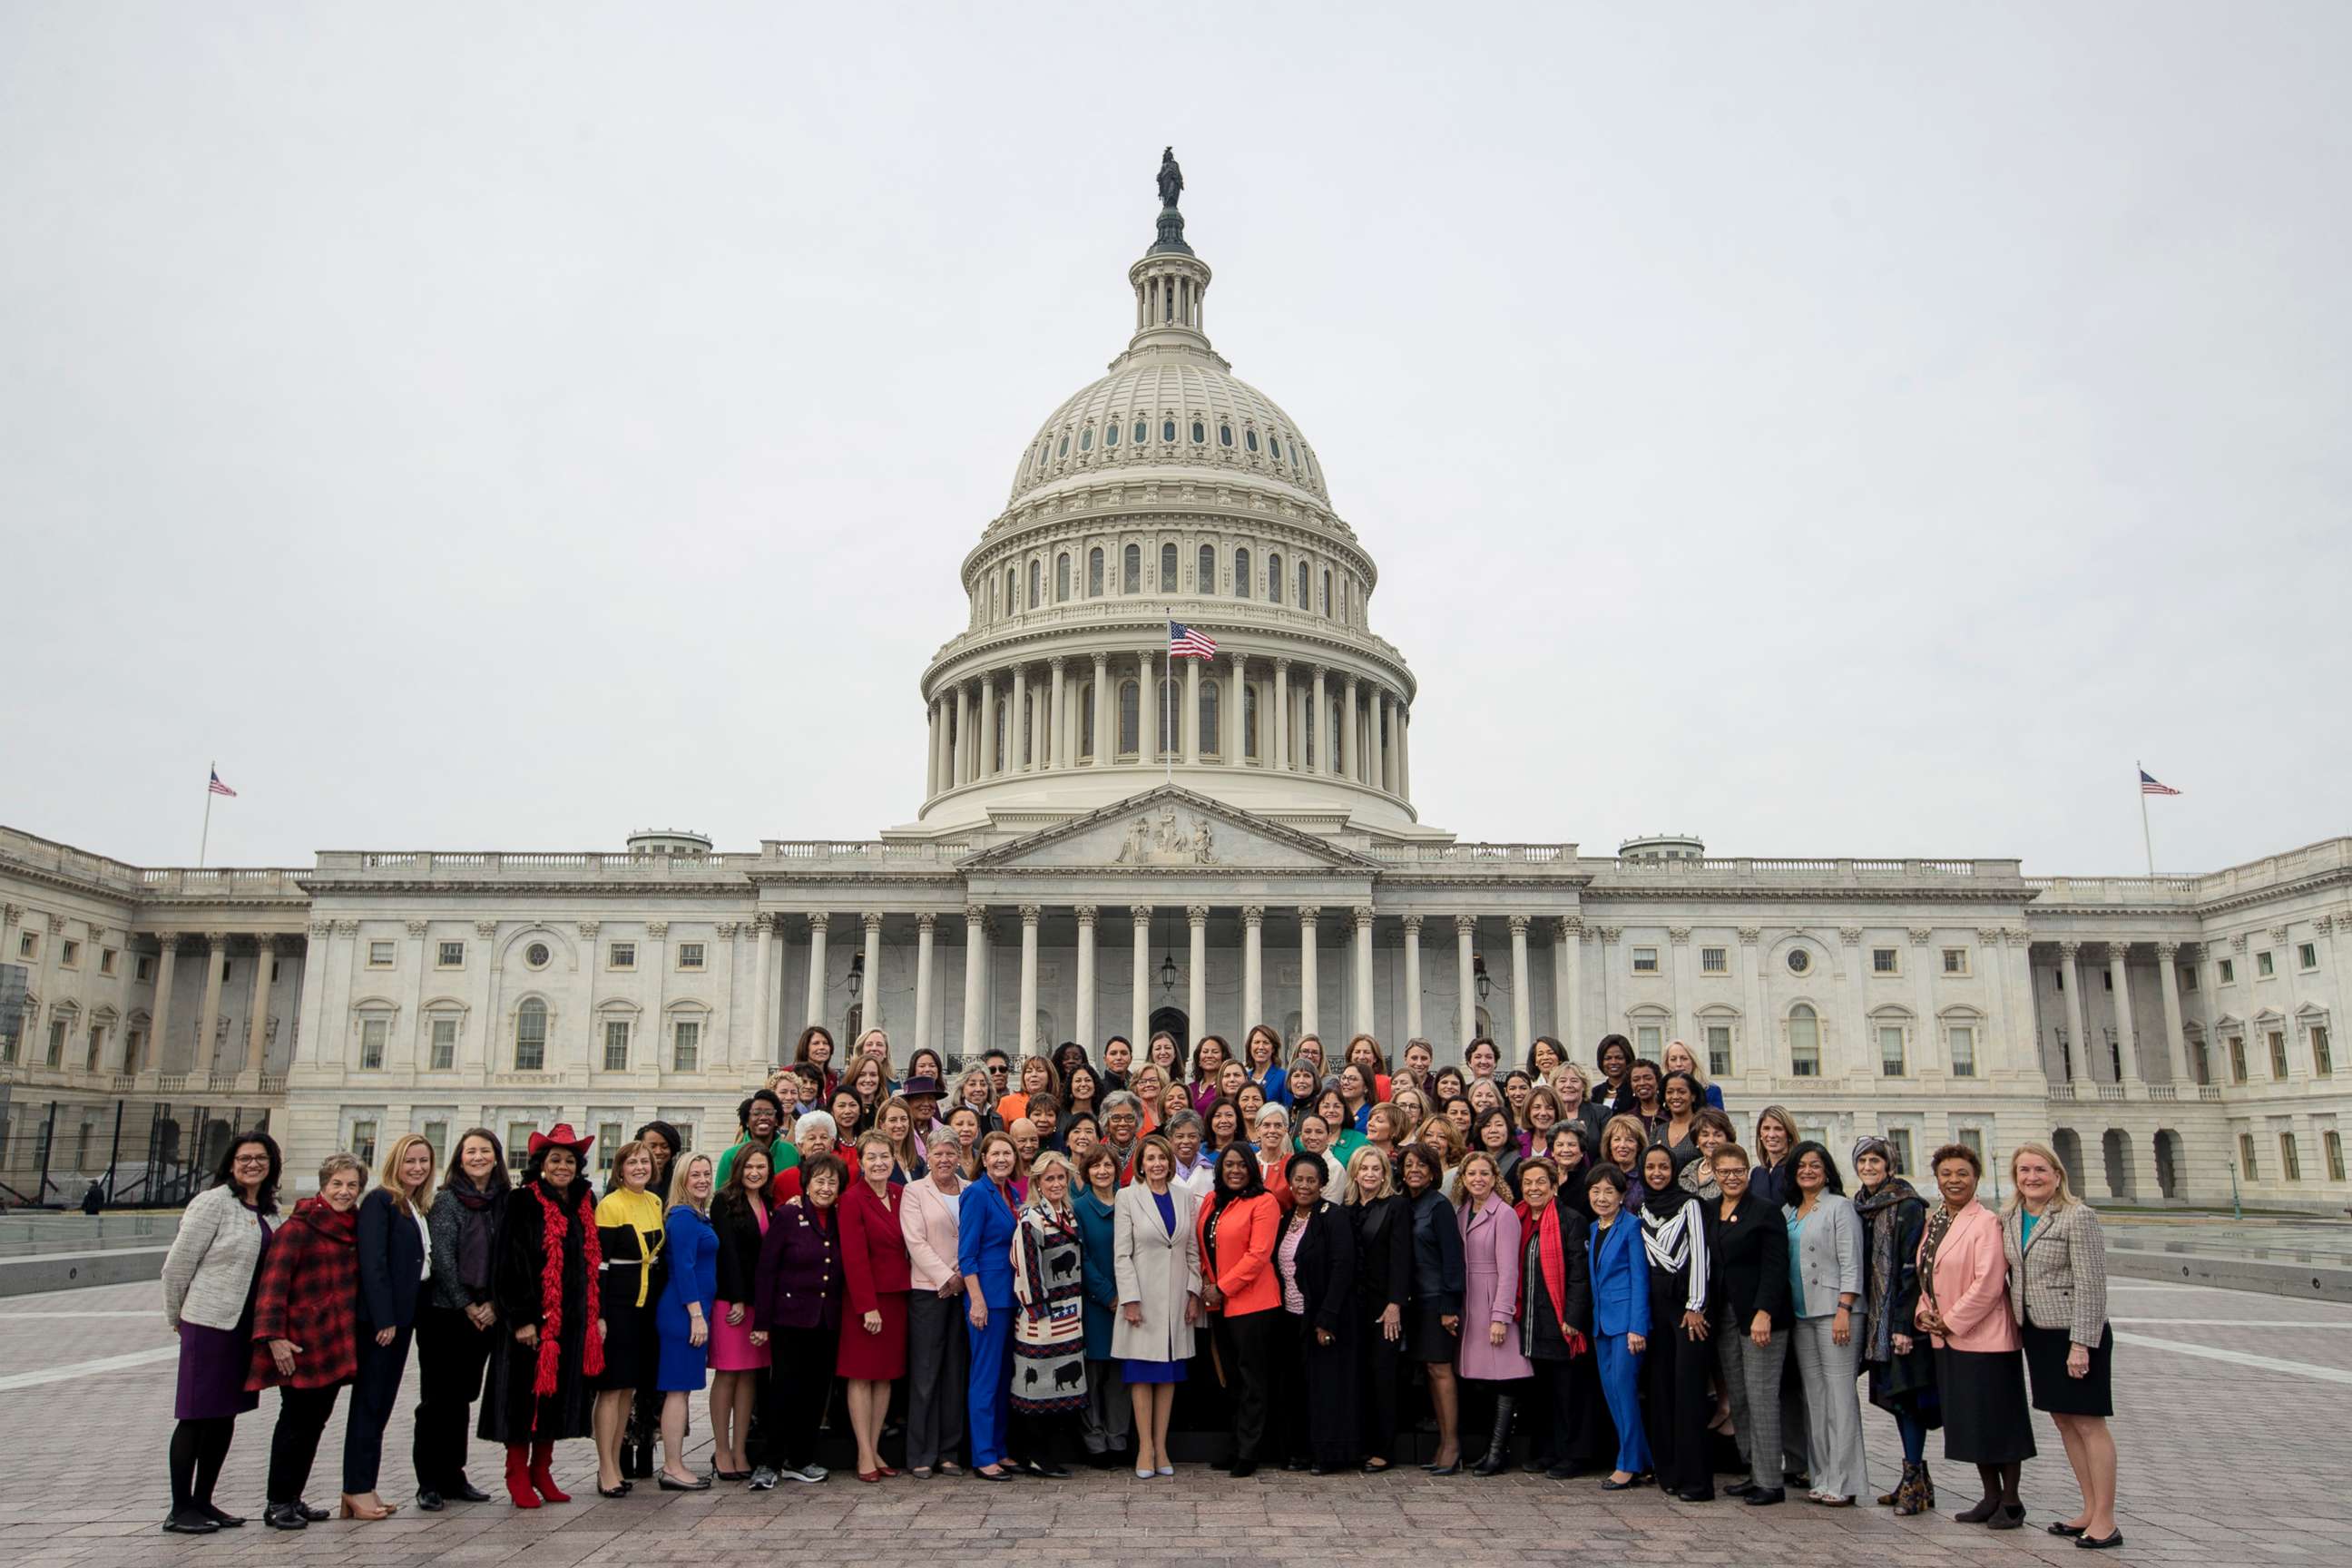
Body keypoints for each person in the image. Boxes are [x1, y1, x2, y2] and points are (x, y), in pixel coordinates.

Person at [162, 1131, 280, 1534]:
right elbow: (177, 1265)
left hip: (243, 1327)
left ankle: (204, 1500)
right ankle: (180, 1509)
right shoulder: (213, 1203)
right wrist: (178, 1317)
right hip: (208, 1323)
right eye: (244, 1158)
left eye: (260, 1158)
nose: (252, 1165)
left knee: (224, 1415)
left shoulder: (268, 1211)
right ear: (231, 1163)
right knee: (196, 1415)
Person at [480, 1124, 603, 1510]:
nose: (563, 1166)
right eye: (555, 1160)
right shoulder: (522, 1202)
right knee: (522, 1399)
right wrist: (522, 1318)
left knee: (554, 1399)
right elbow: (508, 1264)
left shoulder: (585, 1202)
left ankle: (542, 1469)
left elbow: (589, 1262)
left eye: (569, 1160)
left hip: (569, 1318)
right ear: (541, 1164)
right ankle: (517, 1472)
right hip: (532, 1321)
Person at [2004, 1142, 2118, 1549]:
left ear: (2057, 1175)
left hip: (2074, 1334)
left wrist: (2081, 1344)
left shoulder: (2077, 1217)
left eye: (2039, 1170)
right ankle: (2088, 1508)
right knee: (2064, 1421)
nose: (2031, 1177)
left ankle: (2105, 1518)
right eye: (2023, 1171)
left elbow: (2092, 1285)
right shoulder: (2011, 1217)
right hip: (2037, 1332)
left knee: (2089, 1422)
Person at [1916, 1142, 2034, 1531]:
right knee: (1972, 1421)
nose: (1954, 1180)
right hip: (1949, 1337)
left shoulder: (1985, 1222)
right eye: (1947, 1174)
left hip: (1986, 1338)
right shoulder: (1935, 1222)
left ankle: (2012, 1500)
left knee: (2000, 1420)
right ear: (1936, 1179)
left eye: (1962, 1174)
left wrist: (1950, 1320)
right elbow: (1925, 1274)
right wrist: (1926, 1314)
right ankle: (1989, 1496)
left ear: (1976, 1178)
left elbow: (1988, 1283)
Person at [248, 1151, 368, 1531]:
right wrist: (274, 1337)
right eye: (337, 1184)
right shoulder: (298, 1228)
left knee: (316, 1423)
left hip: (333, 1339)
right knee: (295, 1423)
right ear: (323, 1186)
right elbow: (272, 1286)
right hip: (299, 1342)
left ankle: (294, 1497)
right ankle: (277, 1501)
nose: (344, 1192)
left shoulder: (353, 1225)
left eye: (352, 1185)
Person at [415, 1129, 506, 1511]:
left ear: (496, 1157)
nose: (478, 1157)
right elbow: (443, 1259)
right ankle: (429, 1481)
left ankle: (454, 1474)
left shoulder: (503, 1201)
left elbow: (509, 1256)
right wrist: (467, 1303)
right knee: (437, 1400)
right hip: (446, 1313)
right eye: (471, 1151)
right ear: (459, 1157)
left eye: (485, 1151)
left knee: (464, 1397)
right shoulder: (447, 1200)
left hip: (488, 1313)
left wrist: (494, 1305)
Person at [347, 1134, 434, 1520]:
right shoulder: (380, 1201)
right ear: (395, 1162)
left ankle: (365, 1485)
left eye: (424, 1161)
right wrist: (384, 1318)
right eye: (410, 1161)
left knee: (380, 1405)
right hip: (384, 1323)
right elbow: (373, 1263)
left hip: (403, 1319)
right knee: (369, 1404)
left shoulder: (412, 1204)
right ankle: (356, 1487)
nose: (417, 1167)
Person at [1852, 1136, 1939, 1514]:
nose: (1869, 1167)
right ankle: (1917, 1480)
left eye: (1875, 1161)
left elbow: (1912, 1269)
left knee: (1906, 1400)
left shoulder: (1907, 1206)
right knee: (1893, 1398)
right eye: (1863, 1161)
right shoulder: (1863, 1205)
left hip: (1899, 1322)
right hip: (1876, 1320)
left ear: (1889, 1165)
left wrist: (1904, 1325)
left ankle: (1913, 1479)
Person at [750, 1152, 845, 1486]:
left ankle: (801, 1459)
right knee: (785, 1390)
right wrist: (761, 1321)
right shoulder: (789, 1215)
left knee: (816, 1393)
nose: (825, 1187)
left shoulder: (839, 1216)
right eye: (819, 1180)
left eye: (832, 1182)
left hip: (827, 1320)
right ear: (807, 1184)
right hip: (790, 1318)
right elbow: (767, 1270)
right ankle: (770, 1461)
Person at [1706, 1142, 1791, 1506]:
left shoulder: (1766, 1212)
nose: (1731, 1177)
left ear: (1747, 1171)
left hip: (1759, 1317)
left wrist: (1764, 1311)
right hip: (1724, 1315)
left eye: (1738, 1171)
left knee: (1761, 1397)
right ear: (1714, 1172)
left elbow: (1775, 1267)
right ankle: (1753, 1470)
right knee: (1739, 1397)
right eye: (1724, 1171)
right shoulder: (1709, 1210)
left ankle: (1772, 1481)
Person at [1113, 1132, 1200, 1478]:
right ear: (1141, 1163)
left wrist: (1193, 1293)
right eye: (1150, 1158)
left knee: (1168, 1376)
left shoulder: (1184, 1197)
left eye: (1162, 1158)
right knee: (1141, 1375)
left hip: (1176, 1301)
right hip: (1143, 1301)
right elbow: (1121, 1253)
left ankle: (1162, 1445)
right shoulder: (1127, 1197)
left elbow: (1191, 1250)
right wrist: (1130, 1299)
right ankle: (1144, 1449)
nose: (1157, 1164)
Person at [1784, 1141, 1866, 1507]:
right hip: (1802, 1313)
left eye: (1815, 1165)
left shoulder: (1840, 1207)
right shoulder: (1789, 1211)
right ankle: (1822, 1475)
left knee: (1840, 1398)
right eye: (1801, 1165)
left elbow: (1851, 1262)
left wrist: (1845, 1307)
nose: (1807, 1171)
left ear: (1827, 1169)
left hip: (1835, 1313)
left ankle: (1845, 1480)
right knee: (1815, 1400)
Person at [1635, 1146, 1713, 1501]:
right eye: (1650, 1167)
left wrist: (1696, 1305)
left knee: (1688, 1394)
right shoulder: (1641, 1208)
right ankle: (1668, 1472)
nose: (1656, 1173)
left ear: (1673, 1169)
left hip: (1686, 1308)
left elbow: (1699, 1255)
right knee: (1661, 1391)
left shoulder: (1690, 1204)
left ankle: (1696, 1480)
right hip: (1656, 1307)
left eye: (1663, 1167)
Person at [1195, 1143, 1279, 1475]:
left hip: (1253, 1304)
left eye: (1241, 1165)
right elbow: (1203, 1246)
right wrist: (1208, 1284)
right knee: (1230, 1379)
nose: (1234, 1170)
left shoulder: (1264, 1202)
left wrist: (1221, 1288)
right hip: (1220, 1306)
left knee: (1252, 1380)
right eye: (1228, 1164)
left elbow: (1258, 1256)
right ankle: (1236, 1444)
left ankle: (1250, 1451)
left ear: (1251, 1169)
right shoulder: (1211, 1201)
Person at [1273, 1149, 1357, 1474]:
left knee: (1325, 1389)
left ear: (1322, 1184)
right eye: (1298, 1180)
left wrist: (1326, 1319)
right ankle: (1300, 1451)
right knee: (1297, 1388)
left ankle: (1328, 1455)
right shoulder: (1286, 1218)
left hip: (1322, 1317)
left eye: (1311, 1180)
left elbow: (1342, 1268)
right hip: (1291, 1317)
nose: (1304, 1186)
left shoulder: (1333, 1216)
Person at [591, 1140, 667, 1497]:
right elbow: (600, 1266)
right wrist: (601, 1315)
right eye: (632, 1162)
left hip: (645, 1305)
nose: (640, 1167)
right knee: (610, 1388)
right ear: (620, 1169)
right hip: (618, 1303)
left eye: (645, 1162)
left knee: (628, 1389)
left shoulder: (653, 1201)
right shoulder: (610, 1206)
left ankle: (618, 1463)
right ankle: (605, 1466)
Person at [1510, 1157, 1593, 1480]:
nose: (1534, 1188)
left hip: (1560, 1322)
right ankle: (1546, 1451)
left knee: (1568, 1393)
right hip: (1530, 1323)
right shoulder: (1517, 1218)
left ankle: (1573, 1455)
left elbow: (1578, 1274)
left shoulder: (1570, 1220)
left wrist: (1573, 1316)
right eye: (1528, 1183)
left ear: (1554, 1185)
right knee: (1541, 1393)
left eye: (1541, 1182)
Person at [838, 1130, 912, 1484]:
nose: (879, 1163)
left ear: (894, 1159)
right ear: (862, 1162)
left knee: (886, 1376)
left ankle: (875, 1446)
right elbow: (854, 1258)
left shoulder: (901, 1195)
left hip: (898, 1295)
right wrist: (867, 1307)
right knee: (861, 1375)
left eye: (885, 1156)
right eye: (872, 1157)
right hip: (865, 1300)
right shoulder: (852, 1199)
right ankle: (863, 1452)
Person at [1009, 1150, 1088, 1477]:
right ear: (1037, 1183)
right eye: (1050, 1179)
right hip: (1042, 1317)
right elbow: (1026, 1269)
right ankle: (1034, 1454)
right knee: (1036, 1387)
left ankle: (1047, 1452)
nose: (1056, 1184)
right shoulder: (1031, 1219)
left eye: (1060, 1178)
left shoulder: (1068, 1214)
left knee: (1059, 1390)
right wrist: (1038, 1310)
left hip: (1071, 1313)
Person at [1453, 1150, 1530, 1476]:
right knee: (1481, 1380)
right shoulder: (1462, 1212)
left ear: (1495, 1177)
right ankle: (1486, 1450)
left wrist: (1501, 1315)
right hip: (1469, 1302)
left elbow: (1510, 1269)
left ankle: (1498, 1452)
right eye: (1471, 1174)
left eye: (1484, 1173)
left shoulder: (1505, 1214)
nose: (1478, 1180)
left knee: (1505, 1380)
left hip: (1492, 1301)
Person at [900, 1130, 968, 1478]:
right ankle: (921, 1453)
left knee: (955, 1374)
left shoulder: (970, 1190)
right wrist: (946, 1277)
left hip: (966, 1291)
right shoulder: (914, 1192)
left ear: (959, 1156)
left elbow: (974, 1237)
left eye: (950, 1153)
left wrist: (962, 1276)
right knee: (926, 1374)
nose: (944, 1159)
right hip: (929, 1290)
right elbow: (915, 1241)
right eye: (938, 1154)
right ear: (928, 1157)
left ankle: (948, 1451)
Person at [706, 1146, 773, 1481]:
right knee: (728, 1374)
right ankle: (721, 1450)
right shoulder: (724, 1201)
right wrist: (736, 1298)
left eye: (761, 1167)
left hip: (760, 1304)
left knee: (750, 1377)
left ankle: (740, 1449)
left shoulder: (770, 1203)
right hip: (732, 1302)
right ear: (739, 1168)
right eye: (749, 1166)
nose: (755, 1172)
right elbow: (726, 1252)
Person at [959, 1132, 1024, 1480]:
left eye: (1007, 1154)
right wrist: (977, 1301)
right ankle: (983, 1454)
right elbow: (967, 1254)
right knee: (985, 1378)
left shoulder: (1012, 1193)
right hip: (987, 1298)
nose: (1002, 1159)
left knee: (1004, 1379)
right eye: (995, 1153)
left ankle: (1000, 1447)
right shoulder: (976, 1194)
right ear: (983, 1158)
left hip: (1012, 1297)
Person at [1583, 1162, 1651, 1486]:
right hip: (1601, 1325)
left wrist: (1638, 1326)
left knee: (1624, 1392)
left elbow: (1640, 1280)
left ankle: (1628, 1464)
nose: (1602, 1197)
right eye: (1596, 1191)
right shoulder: (1595, 1228)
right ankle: (1644, 1458)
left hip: (1626, 1325)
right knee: (1612, 1393)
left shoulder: (1632, 1227)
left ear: (1623, 1195)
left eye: (1609, 1191)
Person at [1399, 1143, 1465, 1473]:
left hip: (1436, 1300)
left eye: (1421, 1165)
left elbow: (1453, 1259)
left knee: (1441, 1370)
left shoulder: (1438, 1207)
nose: (1414, 1170)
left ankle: (1452, 1444)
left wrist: (1450, 1305)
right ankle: (1442, 1442)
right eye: (1408, 1164)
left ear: (1432, 1171)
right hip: (1413, 1302)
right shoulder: (1405, 1204)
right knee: (1429, 1371)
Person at [653, 1154, 716, 1491]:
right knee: (677, 1391)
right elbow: (684, 1269)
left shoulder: (698, 1215)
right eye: (695, 1175)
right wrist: (696, 1315)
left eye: (707, 1174)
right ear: (682, 1179)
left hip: (694, 1311)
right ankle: (672, 1466)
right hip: (683, 1314)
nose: (703, 1179)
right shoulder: (682, 1218)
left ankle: (674, 1463)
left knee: (683, 1389)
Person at [1072, 1144, 1131, 1466]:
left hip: (1129, 1300)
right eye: (1096, 1166)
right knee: (1093, 1375)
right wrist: (1108, 1295)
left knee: (1120, 1376)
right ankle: (1095, 1441)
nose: (1103, 1171)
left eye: (1108, 1165)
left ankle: (1118, 1438)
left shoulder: (1129, 1202)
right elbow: (1080, 1257)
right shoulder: (1079, 1207)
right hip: (1096, 1303)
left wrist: (1128, 1295)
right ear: (1087, 1172)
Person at [1661, 1039, 1725, 1110]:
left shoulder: (1711, 1091)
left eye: (1684, 1059)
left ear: (1693, 1062)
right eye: (1673, 1059)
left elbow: (1719, 1120)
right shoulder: (1660, 1093)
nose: (1678, 1064)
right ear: (1667, 1064)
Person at [1654, 1072, 1703, 1160]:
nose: (1675, 1096)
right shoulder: (1657, 1132)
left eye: (1682, 1092)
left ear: (1693, 1096)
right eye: (1670, 1092)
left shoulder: (1703, 1128)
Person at [792, 1024, 839, 1101]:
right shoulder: (790, 1072)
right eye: (816, 1043)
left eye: (825, 1043)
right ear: (806, 1047)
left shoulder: (832, 1077)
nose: (822, 1047)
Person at [1242, 1024, 1287, 1102]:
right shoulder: (1244, 1078)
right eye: (1257, 1042)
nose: (1261, 1047)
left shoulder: (1283, 1077)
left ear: (1273, 1048)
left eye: (1266, 1043)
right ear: (1250, 1047)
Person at [1592, 1034, 1634, 1112]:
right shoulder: (1594, 1093)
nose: (1613, 1062)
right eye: (1608, 1058)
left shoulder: (1635, 1090)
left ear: (1627, 1060)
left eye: (1619, 1058)